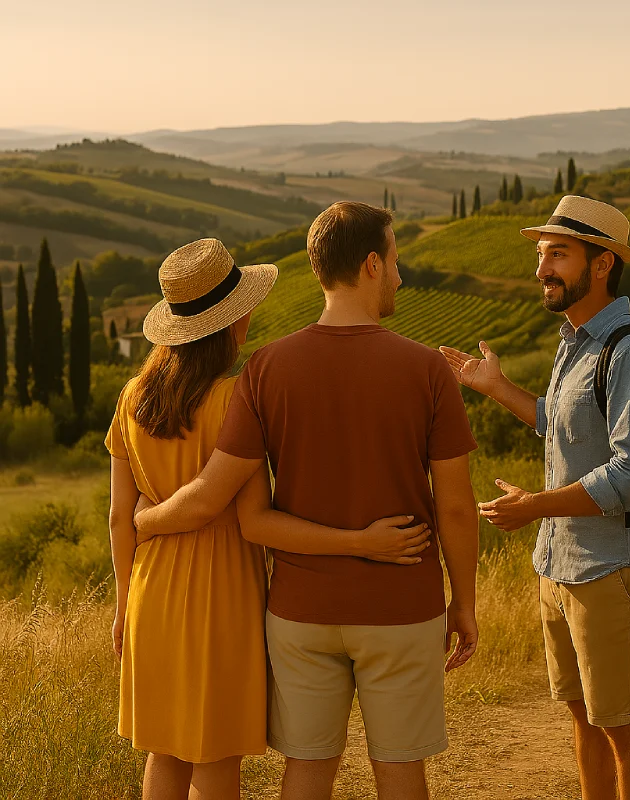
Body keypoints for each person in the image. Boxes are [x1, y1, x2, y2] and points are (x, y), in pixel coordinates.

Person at [134, 203, 481, 800]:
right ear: (372, 265)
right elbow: (454, 506)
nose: (400, 275)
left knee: (307, 771)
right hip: (401, 606)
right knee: (400, 769)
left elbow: (248, 517)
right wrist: (464, 603)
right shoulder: (427, 370)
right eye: (396, 260)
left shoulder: (265, 370)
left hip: (299, 613)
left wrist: (144, 520)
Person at [440, 195, 630, 800]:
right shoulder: (576, 340)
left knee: (623, 726)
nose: (542, 268)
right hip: (560, 565)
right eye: (542, 254)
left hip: (611, 569)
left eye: (559, 255)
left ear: (602, 265)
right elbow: (561, 424)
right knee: (583, 720)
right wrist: (495, 388)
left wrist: (533, 507)